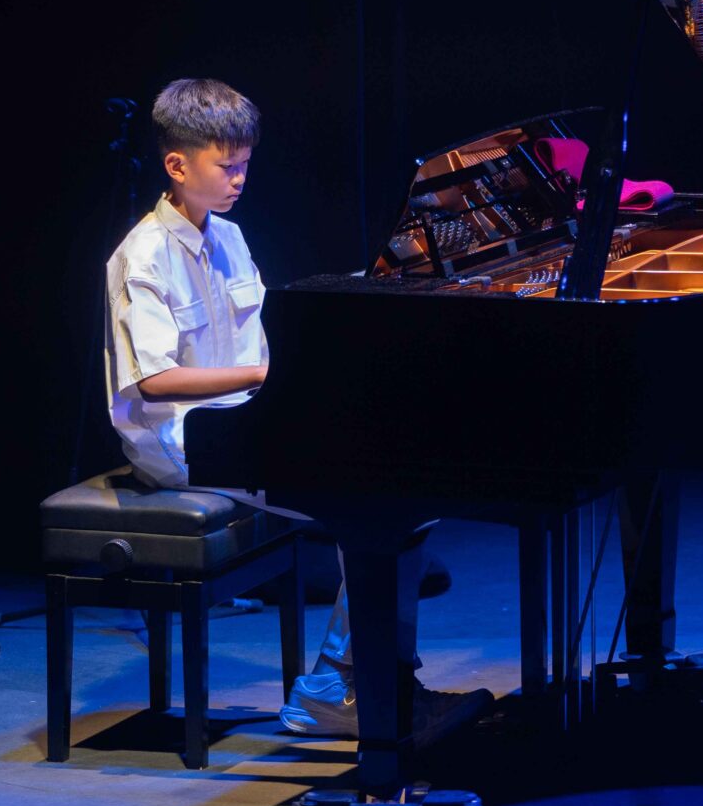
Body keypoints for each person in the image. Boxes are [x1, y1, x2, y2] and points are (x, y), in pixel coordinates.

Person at [104, 78, 471, 738]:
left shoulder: (230, 236)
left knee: (412, 486)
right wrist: (265, 376)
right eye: (227, 166)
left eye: (246, 164)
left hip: (243, 422)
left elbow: (263, 341)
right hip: (182, 445)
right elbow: (154, 381)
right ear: (177, 166)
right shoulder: (141, 256)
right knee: (377, 495)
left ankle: (362, 680)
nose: (240, 179)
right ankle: (344, 687)